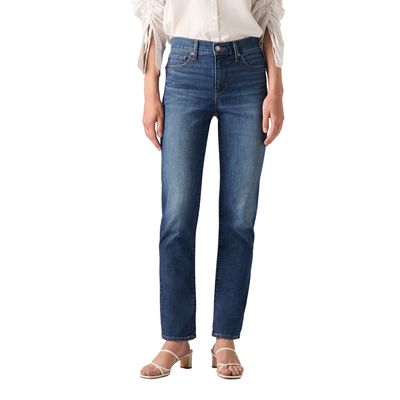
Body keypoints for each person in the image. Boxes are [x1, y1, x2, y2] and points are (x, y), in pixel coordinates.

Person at [132, 0, 285, 379]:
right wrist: (150, 93)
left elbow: (267, 14)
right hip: (186, 70)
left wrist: (277, 90)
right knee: (177, 216)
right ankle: (176, 340)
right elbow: (153, 18)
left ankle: (225, 339)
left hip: (248, 71)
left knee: (239, 217)